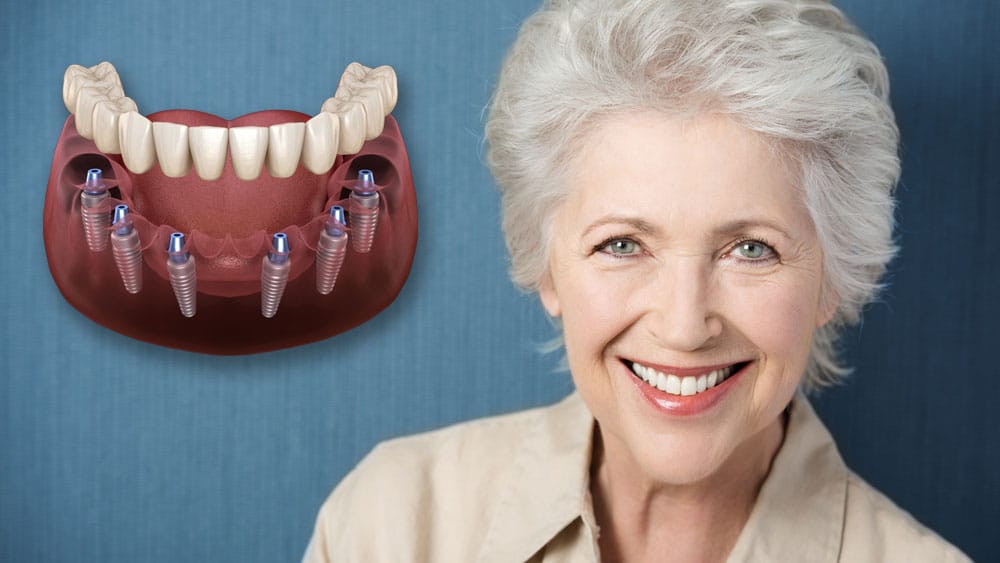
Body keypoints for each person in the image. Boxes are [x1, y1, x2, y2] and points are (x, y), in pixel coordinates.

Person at [303, 0, 971, 561]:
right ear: (546, 264)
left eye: (751, 249)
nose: (683, 326)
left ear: (834, 277)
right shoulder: (387, 528)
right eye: (622, 243)